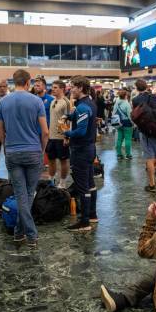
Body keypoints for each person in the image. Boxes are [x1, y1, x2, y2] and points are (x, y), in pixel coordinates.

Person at [0, 69, 49, 247]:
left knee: (21, 194)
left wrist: (6, 146)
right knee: (28, 194)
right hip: (33, 151)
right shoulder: (37, 101)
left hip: (12, 152)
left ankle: (19, 233)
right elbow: (45, 132)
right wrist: (41, 151)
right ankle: (32, 235)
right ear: (28, 83)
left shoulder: (3, 102)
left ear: (14, 82)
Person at [63, 76, 98, 232]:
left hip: (81, 151)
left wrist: (67, 132)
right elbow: (85, 119)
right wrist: (70, 116)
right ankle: (92, 215)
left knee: (82, 187)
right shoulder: (88, 103)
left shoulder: (83, 106)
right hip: (90, 149)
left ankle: (84, 222)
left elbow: (81, 131)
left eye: (73, 87)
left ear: (81, 88)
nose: (71, 89)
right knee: (90, 185)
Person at [132, 79, 156, 192]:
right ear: (146, 87)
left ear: (136, 88)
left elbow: (135, 116)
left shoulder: (135, 100)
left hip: (146, 133)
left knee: (149, 158)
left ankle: (152, 184)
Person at [47, 80, 71, 188]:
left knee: (63, 160)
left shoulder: (65, 102)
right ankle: (51, 180)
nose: (53, 89)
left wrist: (66, 136)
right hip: (51, 137)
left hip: (61, 137)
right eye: (52, 87)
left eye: (56, 87)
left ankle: (62, 182)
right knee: (51, 160)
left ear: (62, 89)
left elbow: (66, 120)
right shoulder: (53, 101)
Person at [112, 89, 133, 160]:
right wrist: (133, 123)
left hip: (118, 123)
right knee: (128, 139)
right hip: (127, 123)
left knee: (119, 139)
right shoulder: (127, 104)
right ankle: (128, 155)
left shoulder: (116, 103)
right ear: (125, 96)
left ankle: (119, 154)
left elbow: (113, 113)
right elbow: (130, 115)